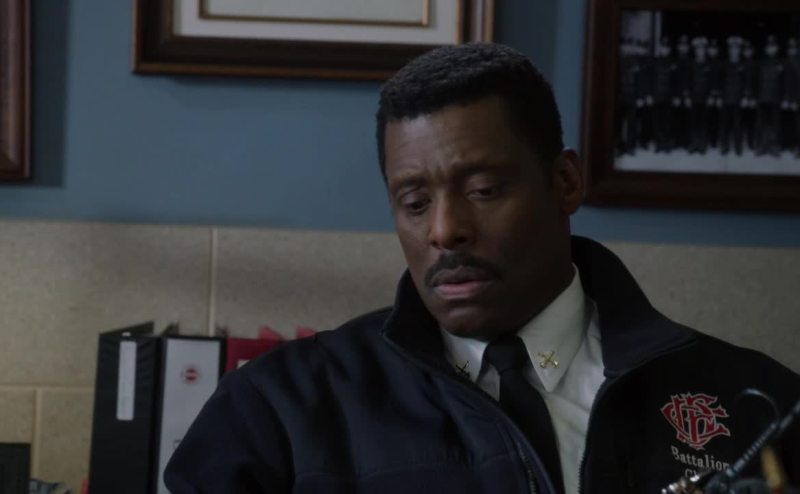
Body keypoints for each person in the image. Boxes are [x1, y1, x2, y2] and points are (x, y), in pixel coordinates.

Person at [164, 43, 800, 494]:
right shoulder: (274, 409)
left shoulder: (759, 403)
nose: (444, 231)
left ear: (565, 182)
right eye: (415, 203)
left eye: (484, 190)